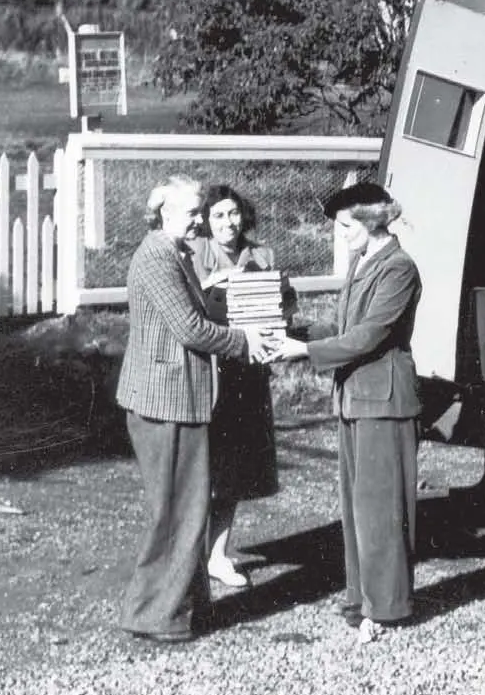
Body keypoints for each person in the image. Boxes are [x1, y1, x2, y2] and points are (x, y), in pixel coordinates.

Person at [113, 176, 274, 644]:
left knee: (187, 510)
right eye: (192, 214)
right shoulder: (157, 257)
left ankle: (182, 608)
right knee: (176, 513)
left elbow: (190, 315)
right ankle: (154, 614)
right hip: (165, 401)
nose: (201, 221)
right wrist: (243, 342)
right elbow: (189, 329)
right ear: (163, 214)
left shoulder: (174, 254)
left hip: (178, 398)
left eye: (201, 213)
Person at [270, 181, 421, 644]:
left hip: (385, 400)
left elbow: (369, 336)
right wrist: (288, 329)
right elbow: (341, 326)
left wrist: (302, 350)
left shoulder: (399, 269)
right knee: (357, 507)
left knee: (381, 508)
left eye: (346, 226)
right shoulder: (362, 263)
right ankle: (362, 597)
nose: (341, 234)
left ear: (373, 221)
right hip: (355, 397)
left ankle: (388, 606)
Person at [188, 182, 294, 595]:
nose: (227, 222)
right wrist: (218, 279)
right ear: (206, 221)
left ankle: (218, 553)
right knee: (205, 466)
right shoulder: (195, 254)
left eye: (233, 214)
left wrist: (280, 299)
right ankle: (192, 553)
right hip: (211, 368)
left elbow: (284, 303)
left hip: (248, 370)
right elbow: (188, 305)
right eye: (218, 215)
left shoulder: (262, 254)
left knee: (235, 469)